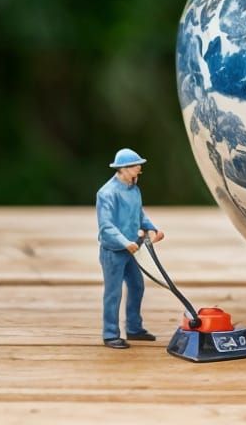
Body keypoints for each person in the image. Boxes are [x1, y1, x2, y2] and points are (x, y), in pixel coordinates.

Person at [96, 148, 163, 348]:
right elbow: (106, 226)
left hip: (132, 249)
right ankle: (110, 334)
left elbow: (139, 214)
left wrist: (152, 228)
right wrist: (125, 242)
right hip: (114, 252)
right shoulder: (107, 193)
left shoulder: (134, 189)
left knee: (136, 286)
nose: (139, 170)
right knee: (113, 292)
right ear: (123, 169)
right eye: (135, 167)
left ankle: (134, 328)